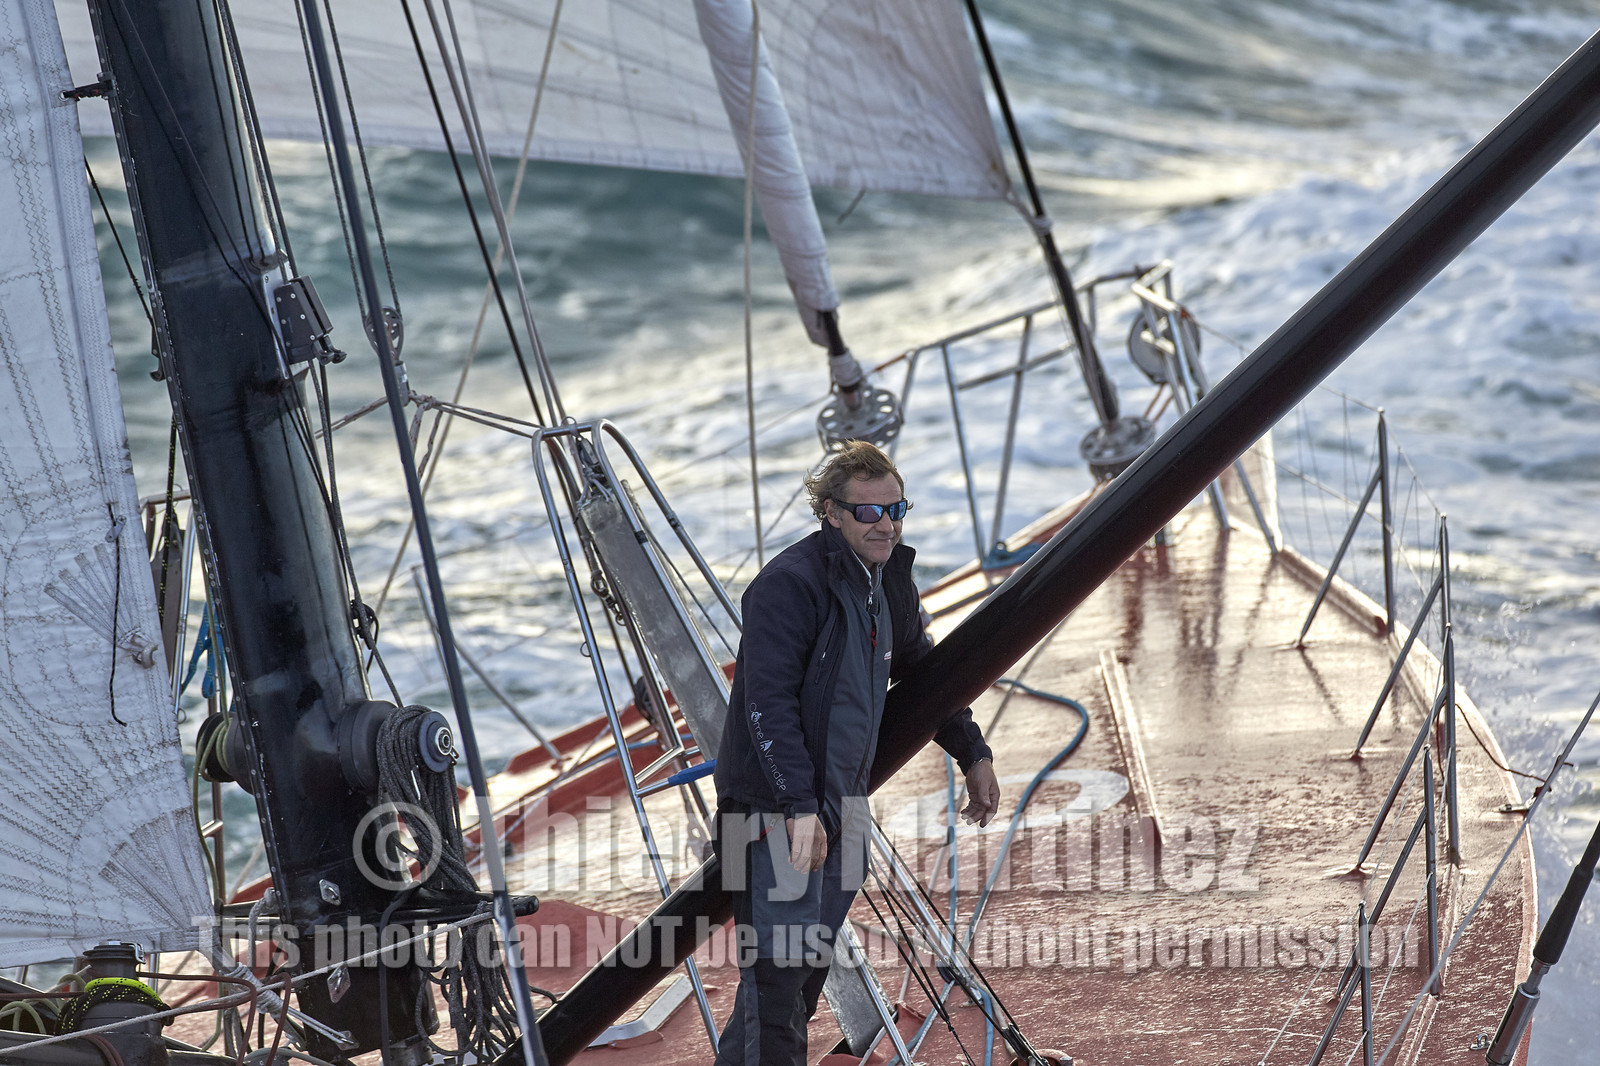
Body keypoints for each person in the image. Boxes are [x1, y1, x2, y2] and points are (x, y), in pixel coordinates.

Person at [711, 440, 1001, 1066]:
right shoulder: (788, 586)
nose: (886, 524)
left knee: (802, 977)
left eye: (896, 509)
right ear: (830, 513)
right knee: (777, 981)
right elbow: (766, 702)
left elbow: (922, 674)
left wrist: (971, 750)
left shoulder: (888, 578)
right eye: (867, 512)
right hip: (773, 811)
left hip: (843, 804)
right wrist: (797, 807)